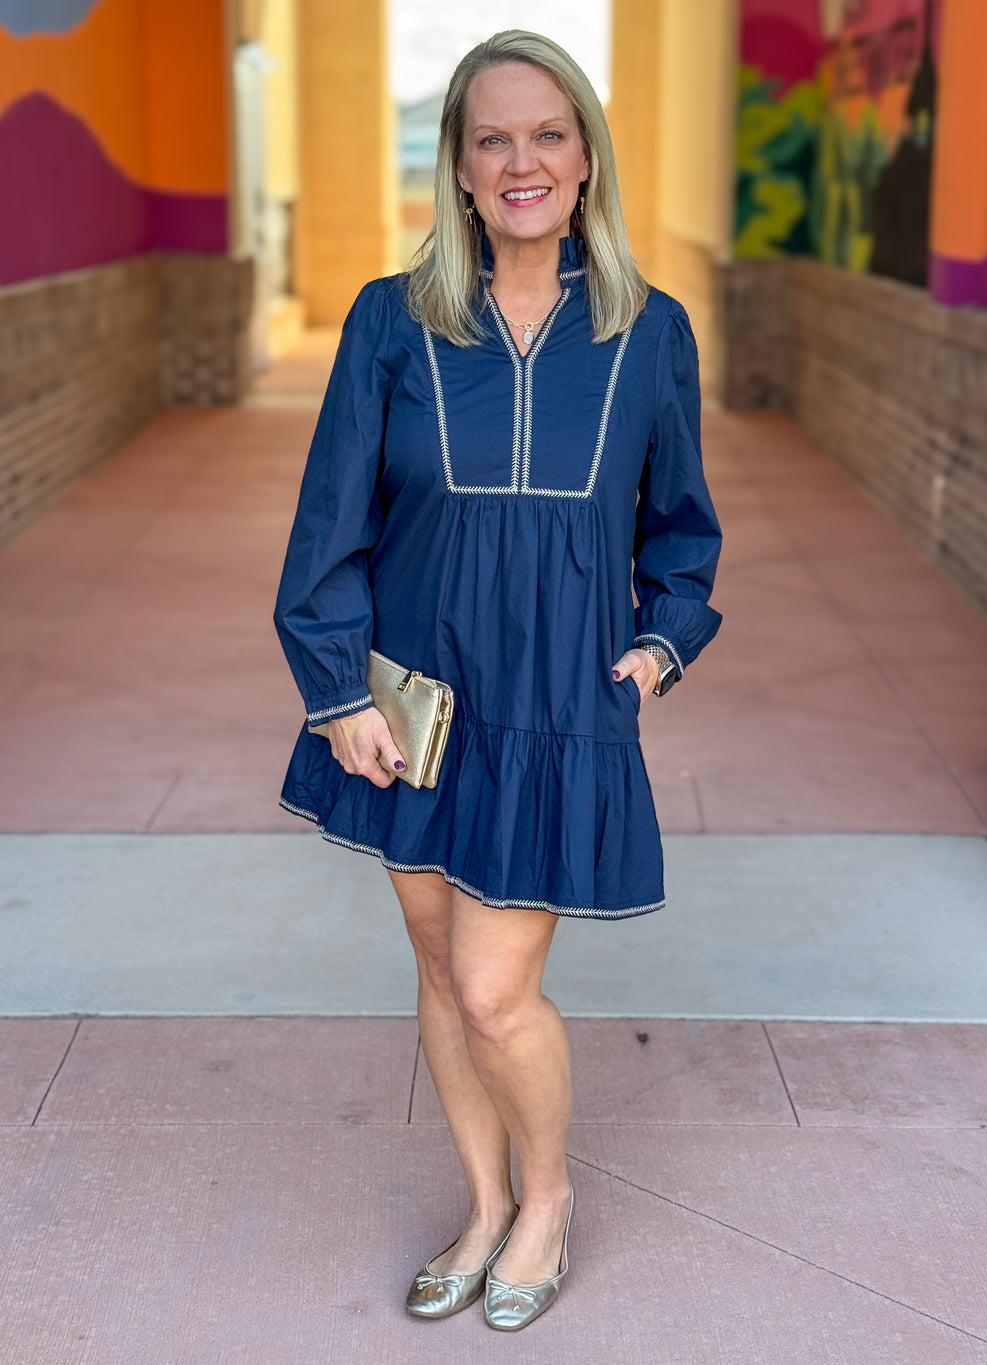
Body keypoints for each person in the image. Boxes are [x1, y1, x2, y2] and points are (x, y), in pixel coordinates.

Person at [273, 29, 722, 1333]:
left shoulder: (650, 333)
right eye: (492, 139)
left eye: (547, 135)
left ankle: (551, 1196)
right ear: (460, 170)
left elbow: (682, 527)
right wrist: (337, 687)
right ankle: (481, 1204)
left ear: (585, 160)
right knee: (432, 958)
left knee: (491, 984)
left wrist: (658, 645)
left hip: (561, 706)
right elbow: (328, 524)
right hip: (411, 698)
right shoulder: (390, 320)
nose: (521, 160)